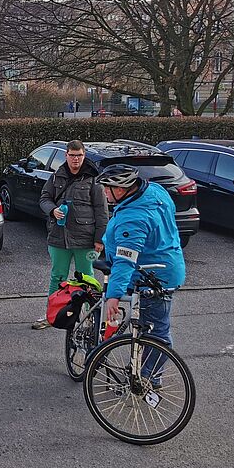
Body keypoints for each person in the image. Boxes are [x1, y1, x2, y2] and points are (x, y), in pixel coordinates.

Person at [97, 164, 185, 349]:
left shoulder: (133, 218)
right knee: (152, 327)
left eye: (107, 188)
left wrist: (114, 295)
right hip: (169, 264)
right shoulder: (155, 190)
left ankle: (148, 377)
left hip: (150, 275)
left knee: (157, 335)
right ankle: (145, 370)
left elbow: (125, 260)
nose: (104, 192)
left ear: (120, 189)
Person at [32, 140, 108, 330]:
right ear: (66, 155)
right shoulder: (57, 176)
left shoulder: (93, 179)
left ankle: (92, 317)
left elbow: (102, 210)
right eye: (72, 155)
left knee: (87, 278)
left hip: (85, 238)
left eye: (79, 155)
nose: (76, 159)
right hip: (58, 237)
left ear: (84, 156)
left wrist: (100, 238)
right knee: (57, 276)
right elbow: (44, 198)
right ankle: (52, 315)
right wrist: (52, 210)